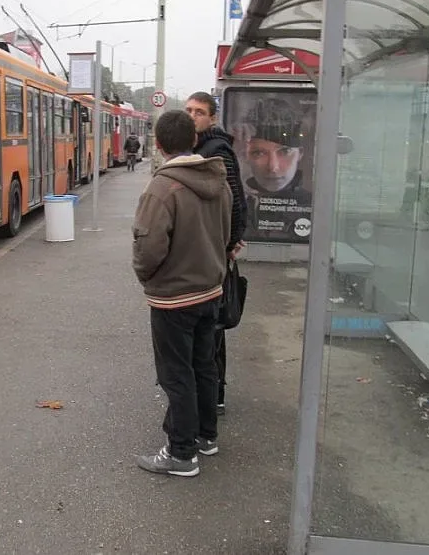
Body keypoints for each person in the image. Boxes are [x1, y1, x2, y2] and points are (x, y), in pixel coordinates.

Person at [132, 110, 232, 477]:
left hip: (174, 297)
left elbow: (148, 247)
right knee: (204, 366)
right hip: (210, 289)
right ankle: (207, 436)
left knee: (177, 375)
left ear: (157, 144)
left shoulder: (162, 188)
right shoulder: (217, 180)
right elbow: (224, 233)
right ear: (194, 140)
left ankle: (181, 453)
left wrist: (148, 278)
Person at [185, 91, 247, 416]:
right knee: (210, 326)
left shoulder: (215, 150)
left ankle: (215, 394)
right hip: (211, 252)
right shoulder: (199, 147)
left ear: (211, 118)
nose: (192, 115)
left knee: (213, 328)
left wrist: (229, 245)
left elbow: (236, 201)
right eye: (188, 110)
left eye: (199, 112)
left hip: (215, 255)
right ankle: (212, 393)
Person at [240, 98, 312, 241]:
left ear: (300, 154)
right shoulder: (235, 205)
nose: (273, 167)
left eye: (284, 152)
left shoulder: (316, 209)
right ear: (246, 155)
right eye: (259, 153)